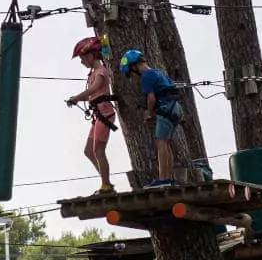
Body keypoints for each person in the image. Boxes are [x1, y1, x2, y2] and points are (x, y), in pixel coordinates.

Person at [119, 48, 184, 187]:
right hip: (176, 109)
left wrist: (148, 112)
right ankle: (168, 177)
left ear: (134, 67)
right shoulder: (157, 72)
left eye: (131, 74)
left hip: (166, 109)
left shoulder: (146, 76)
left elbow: (151, 98)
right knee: (165, 143)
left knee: (161, 144)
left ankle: (163, 179)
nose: (133, 78)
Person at [65, 36, 117, 194]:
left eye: (82, 58)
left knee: (99, 150)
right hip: (98, 115)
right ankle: (105, 181)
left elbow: (94, 89)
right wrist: (78, 100)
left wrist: (77, 97)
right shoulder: (94, 72)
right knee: (89, 151)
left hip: (105, 114)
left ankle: (106, 185)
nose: (82, 62)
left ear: (91, 55)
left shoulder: (101, 71)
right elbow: (92, 93)